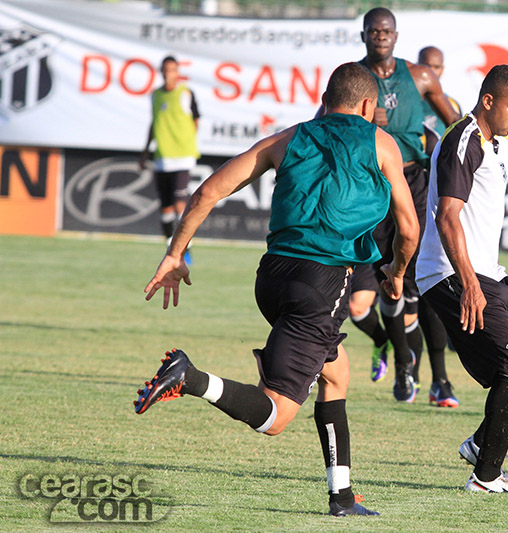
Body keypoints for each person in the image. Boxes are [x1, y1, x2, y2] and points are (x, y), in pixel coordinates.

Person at [133, 62, 419, 516]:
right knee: (277, 416)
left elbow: (207, 191)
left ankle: (341, 496)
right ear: (369, 106)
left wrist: (175, 254)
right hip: (321, 282)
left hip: (271, 277)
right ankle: (191, 378)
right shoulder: (381, 143)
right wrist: (398, 273)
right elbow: (408, 228)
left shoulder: (286, 138)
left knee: (336, 372)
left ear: (325, 102)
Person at [416, 65, 508, 493]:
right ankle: (486, 477)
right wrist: (470, 283)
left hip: (490, 274)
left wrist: (483, 278)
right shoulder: (462, 140)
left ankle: (482, 443)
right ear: (489, 101)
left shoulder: (495, 144)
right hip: (452, 274)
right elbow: (447, 216)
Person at [359, 7, 461, 406]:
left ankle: (440, 380)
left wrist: (464, 171)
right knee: (388, 282)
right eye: (373, 31)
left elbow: (453, 124)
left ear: (396, 36)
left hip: (415, 185)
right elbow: (325, 122)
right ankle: (402, 361)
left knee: (426, 282)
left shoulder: (419, 76)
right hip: (372, 189)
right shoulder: (353, 78)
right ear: (364, 35)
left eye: (386, 30)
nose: (380, 36)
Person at [140, 55, 200, 263]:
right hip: (162, 156)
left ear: (177, 72)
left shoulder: (185, 93)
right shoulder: (155, 95)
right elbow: (154, 122)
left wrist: (186, 141)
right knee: (165, 207)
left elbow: (196, 119)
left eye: (172, 70)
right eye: (165, 69)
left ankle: (186, 247)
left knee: (179, 204)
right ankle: (169, 246)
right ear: (161, 71)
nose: (168, 74)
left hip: (182, 156)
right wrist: (145, 151)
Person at [348, 264, 392, 382]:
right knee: (356, 307)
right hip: (365, 255)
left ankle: (411, 373)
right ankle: (381, 341)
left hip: (399, 254)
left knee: (407, 320)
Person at [417, 46, 463, 157]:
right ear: (417, 66)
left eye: (436, 67)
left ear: (442, 69)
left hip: (438, 168)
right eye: (427, 66)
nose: (431, 71)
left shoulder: (452, 105)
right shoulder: (405, 100)